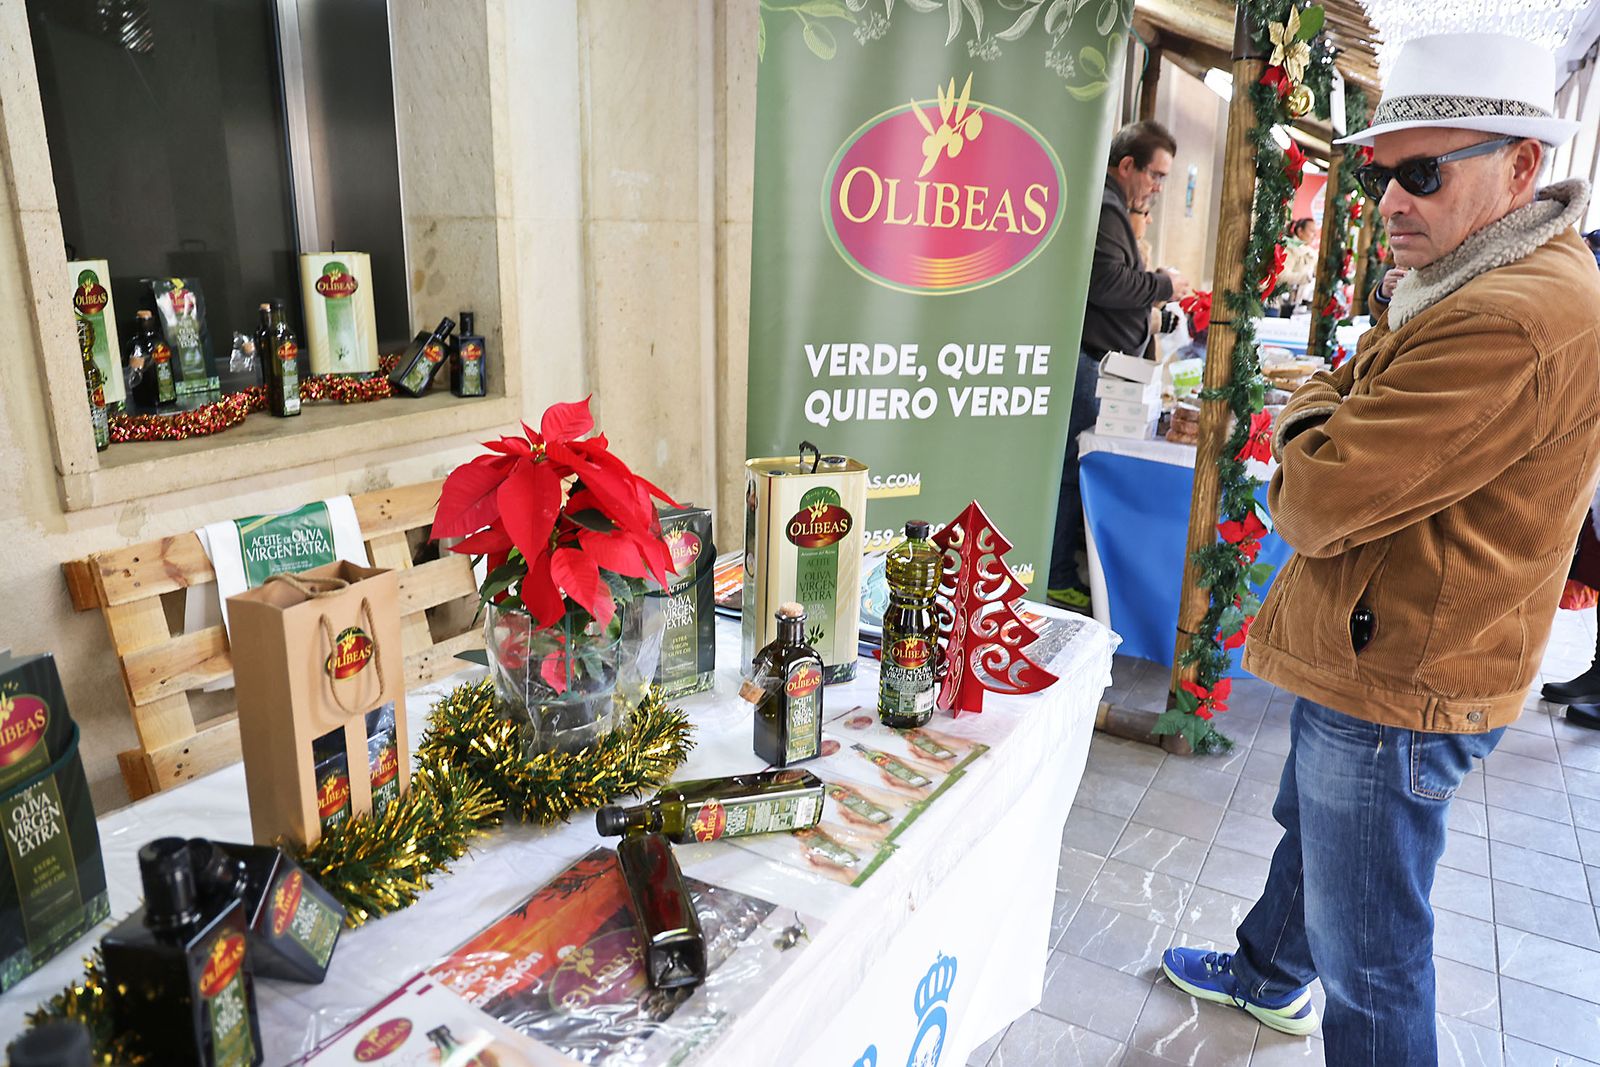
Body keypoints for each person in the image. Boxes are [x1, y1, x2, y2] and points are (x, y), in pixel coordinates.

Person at [1160, 32, 1600, 1064]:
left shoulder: (1505, 314)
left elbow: (1310, 500)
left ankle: (1291, 982)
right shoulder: (1488, 275)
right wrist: (1349, 382)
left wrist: (1318, 390)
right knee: (1314, 830)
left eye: (1422, 172)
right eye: (1380, 175)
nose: (1390, 203)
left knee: (1374, 954)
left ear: (1521, 165)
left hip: (1400, 669)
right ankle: (1269, 973)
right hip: (1389, 635)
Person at [1048, 121, 1192, 611]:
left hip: (1103, 361)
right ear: (1126, 165)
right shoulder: (1106, 208)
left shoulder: (1115, 208)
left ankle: (1063, 567)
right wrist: (1162, 284)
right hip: (1089, 361)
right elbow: (1106, 283)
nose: (1158, 187)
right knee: (1074, 468)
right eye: (1156, 174)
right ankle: (1058, 574)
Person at [1275, 217, 1320, 314]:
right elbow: (1282, 275)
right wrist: (1307, 277)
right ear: (1300, 231)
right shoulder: (1289, 249)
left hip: (1303, 307)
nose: (1314, 235)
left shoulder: (1313, 254)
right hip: (1281, 305)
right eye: (1312, 231)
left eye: (1315, 232)